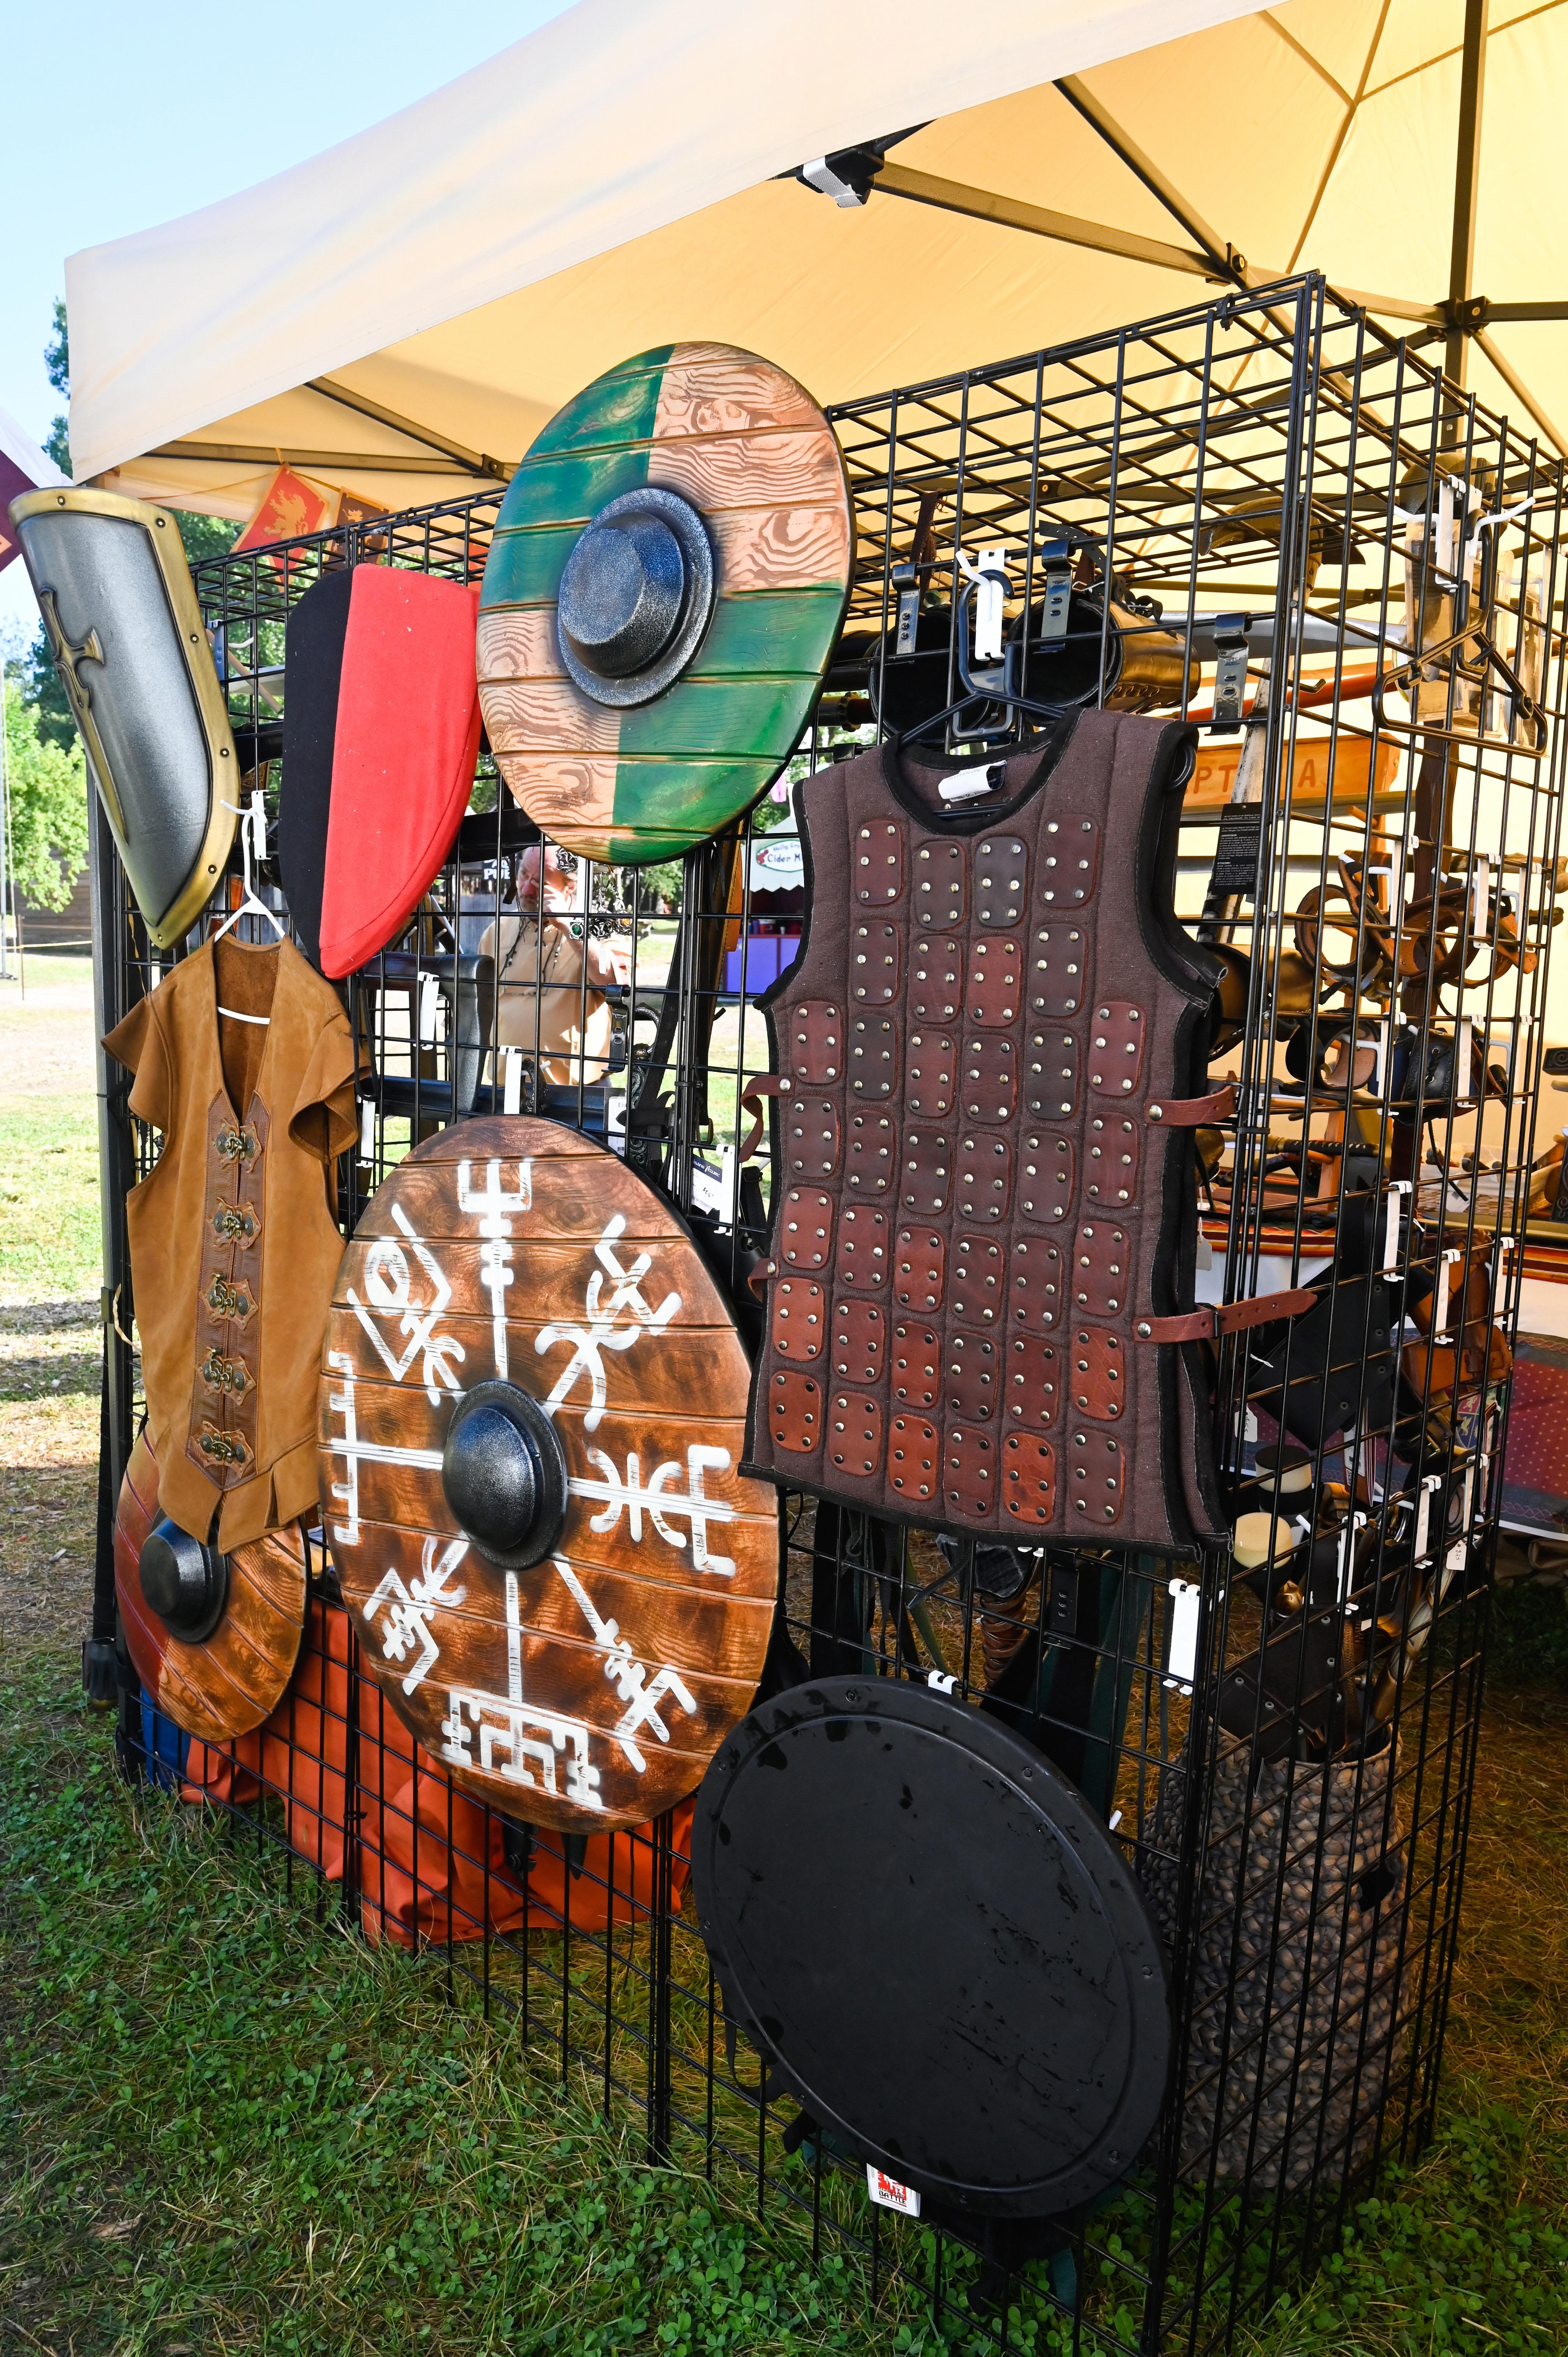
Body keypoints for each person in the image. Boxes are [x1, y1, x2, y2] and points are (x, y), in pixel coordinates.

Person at [479, 843, 629, 1086]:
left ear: (571, 886)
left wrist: (570, 926)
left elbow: (618, 986)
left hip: (578, 1095)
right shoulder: (496, 933)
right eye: (523, 875)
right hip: (506, 1091)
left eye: (540, 883)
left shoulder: (603, 929)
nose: (526, 889)